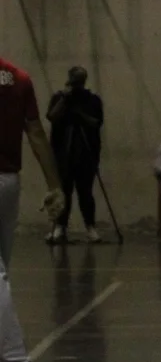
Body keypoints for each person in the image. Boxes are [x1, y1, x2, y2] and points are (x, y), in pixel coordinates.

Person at [0, 53, 66, 362]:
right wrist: (55, 185)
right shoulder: (19, 78)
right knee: (2, 273)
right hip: (8, 184)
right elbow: (37, 133)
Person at [46, 66, 103, 243]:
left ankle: (90, 227)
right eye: (74, 81)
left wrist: (80, 115)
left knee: (85, 192)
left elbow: (96, 122)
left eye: (79, 82)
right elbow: (51, 116)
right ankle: (60, 227)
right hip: (63, 153)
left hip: (86, 153)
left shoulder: (92, 100)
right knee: (63, 192)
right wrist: (65, 99)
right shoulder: (59, 97)